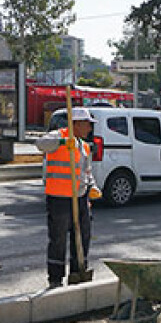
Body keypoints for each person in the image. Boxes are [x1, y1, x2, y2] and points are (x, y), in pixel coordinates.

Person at [36, 107, 100, 288]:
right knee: (58, 238)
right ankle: (55, 278)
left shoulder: (84, 146)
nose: (89, 129)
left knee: (82, 236)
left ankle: (77, 271)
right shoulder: (59, 136)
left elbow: (87, 172)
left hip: (79, 198)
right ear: (77, 124)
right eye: (87, 125)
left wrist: (92, 187)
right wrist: (63, 142)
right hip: (59, 198)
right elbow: (40, 144)